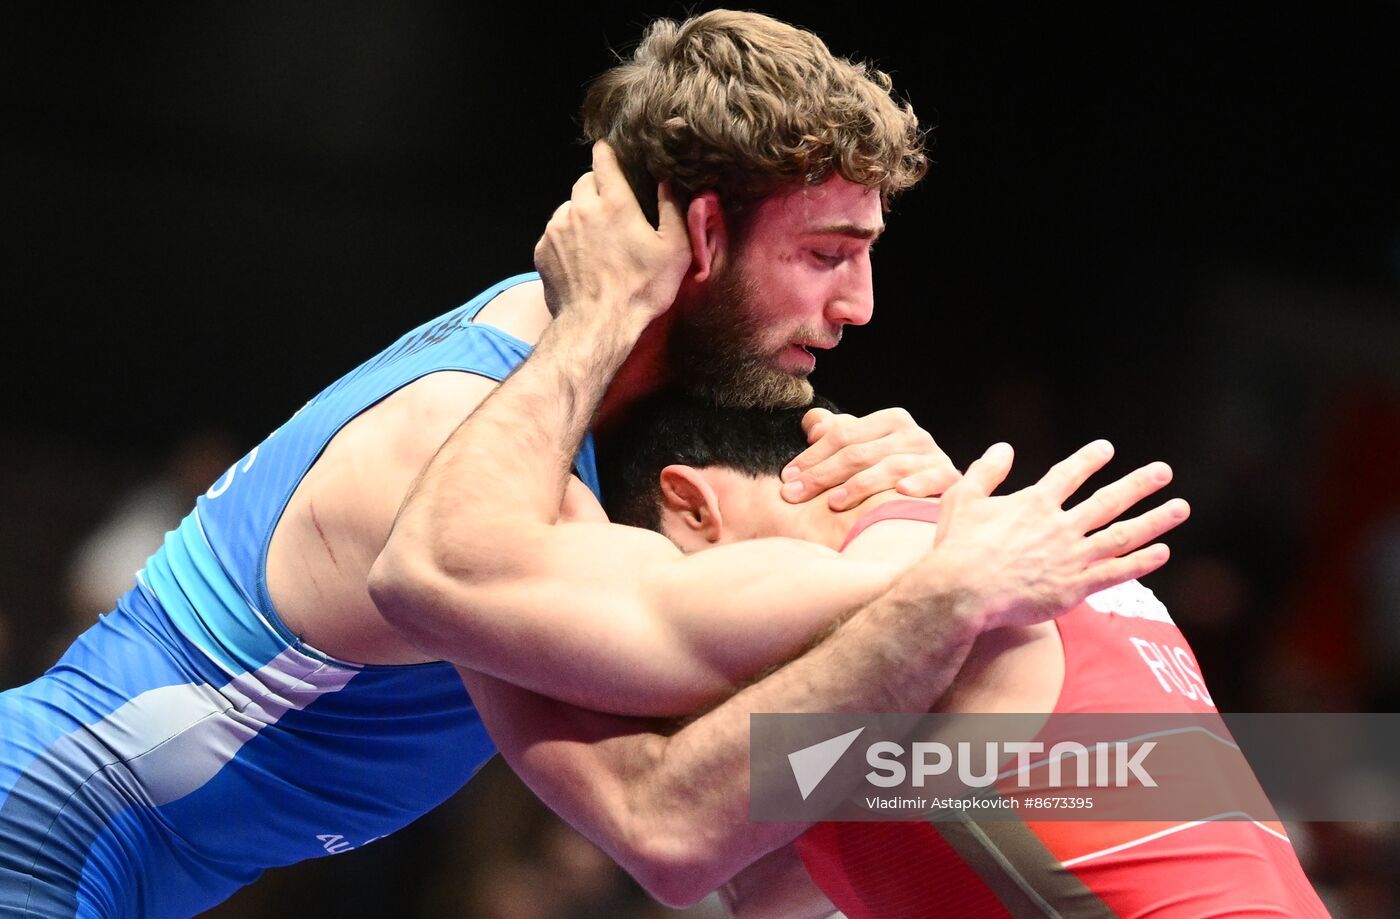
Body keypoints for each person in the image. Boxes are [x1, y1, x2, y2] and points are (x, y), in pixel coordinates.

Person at [0, 11, 1173, 917]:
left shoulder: (625, 418)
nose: (859, 305)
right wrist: (951, 570)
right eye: (826, 253)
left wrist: (902, 516)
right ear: (700, 235)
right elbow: (655, 815)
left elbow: (773, 808)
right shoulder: (462, 429)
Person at [591, 391, 1328, 918]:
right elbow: (769, 891)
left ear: (692, 507)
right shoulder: (1025, 565)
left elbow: (664, 827)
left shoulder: (884, 578)